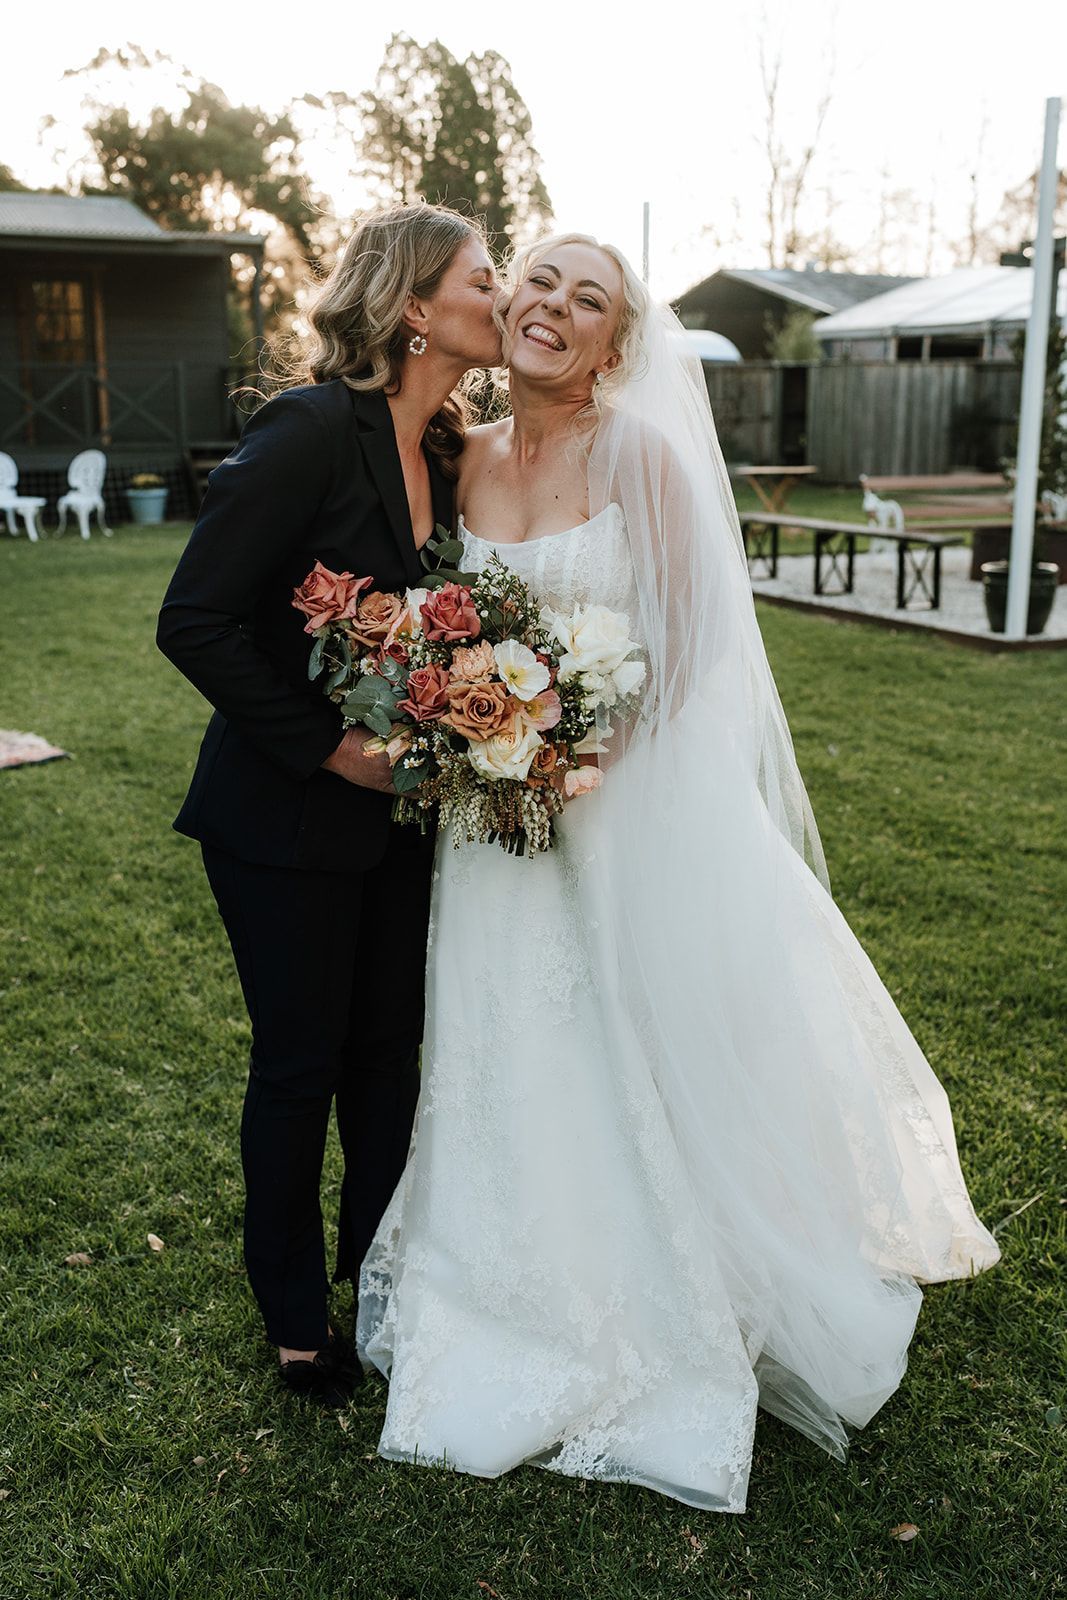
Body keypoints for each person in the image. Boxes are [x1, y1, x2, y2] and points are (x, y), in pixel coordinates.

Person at [355, 234, 1000, 1510]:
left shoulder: (639, 456)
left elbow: (696, 642)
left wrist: (572, 752)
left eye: (585, 300)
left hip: (615, 810)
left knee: (628, 1041)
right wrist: (483, 741)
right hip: (491, 835)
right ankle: (496, 1278)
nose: (549, 306)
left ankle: (661, 1290)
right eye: (536, 280)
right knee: (504, 1045)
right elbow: (442, 631)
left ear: (613, 344)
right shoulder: (462, 457)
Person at [156, 203, 502, 1404]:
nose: (502, 296)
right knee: (300, 1066)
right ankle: (297, 1320)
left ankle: (381, 1284)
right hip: (281, 820)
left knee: (387, 1064)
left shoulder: (453, 456)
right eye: (483, 275)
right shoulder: (306, 432)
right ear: (415, 306)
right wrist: (328, 750)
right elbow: (191, 618)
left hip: (406, 820)